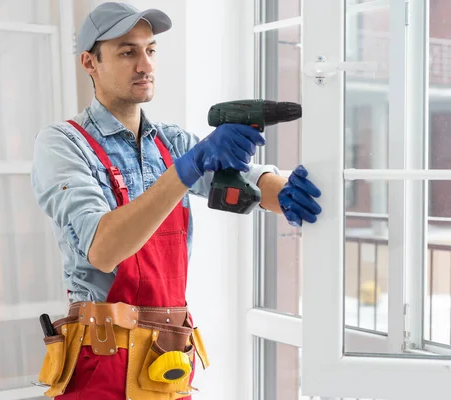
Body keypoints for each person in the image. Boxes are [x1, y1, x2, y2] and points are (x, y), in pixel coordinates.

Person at [30, 2, 322, 399]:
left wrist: (286, 191)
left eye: (150, 50)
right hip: (101, 361)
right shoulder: (64, 144)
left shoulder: (171, 143)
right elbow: (103, 249)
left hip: (166, 360)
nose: (145, 65)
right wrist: (185, 171)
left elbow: (248, 179)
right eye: (127, 52)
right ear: (90, 62)